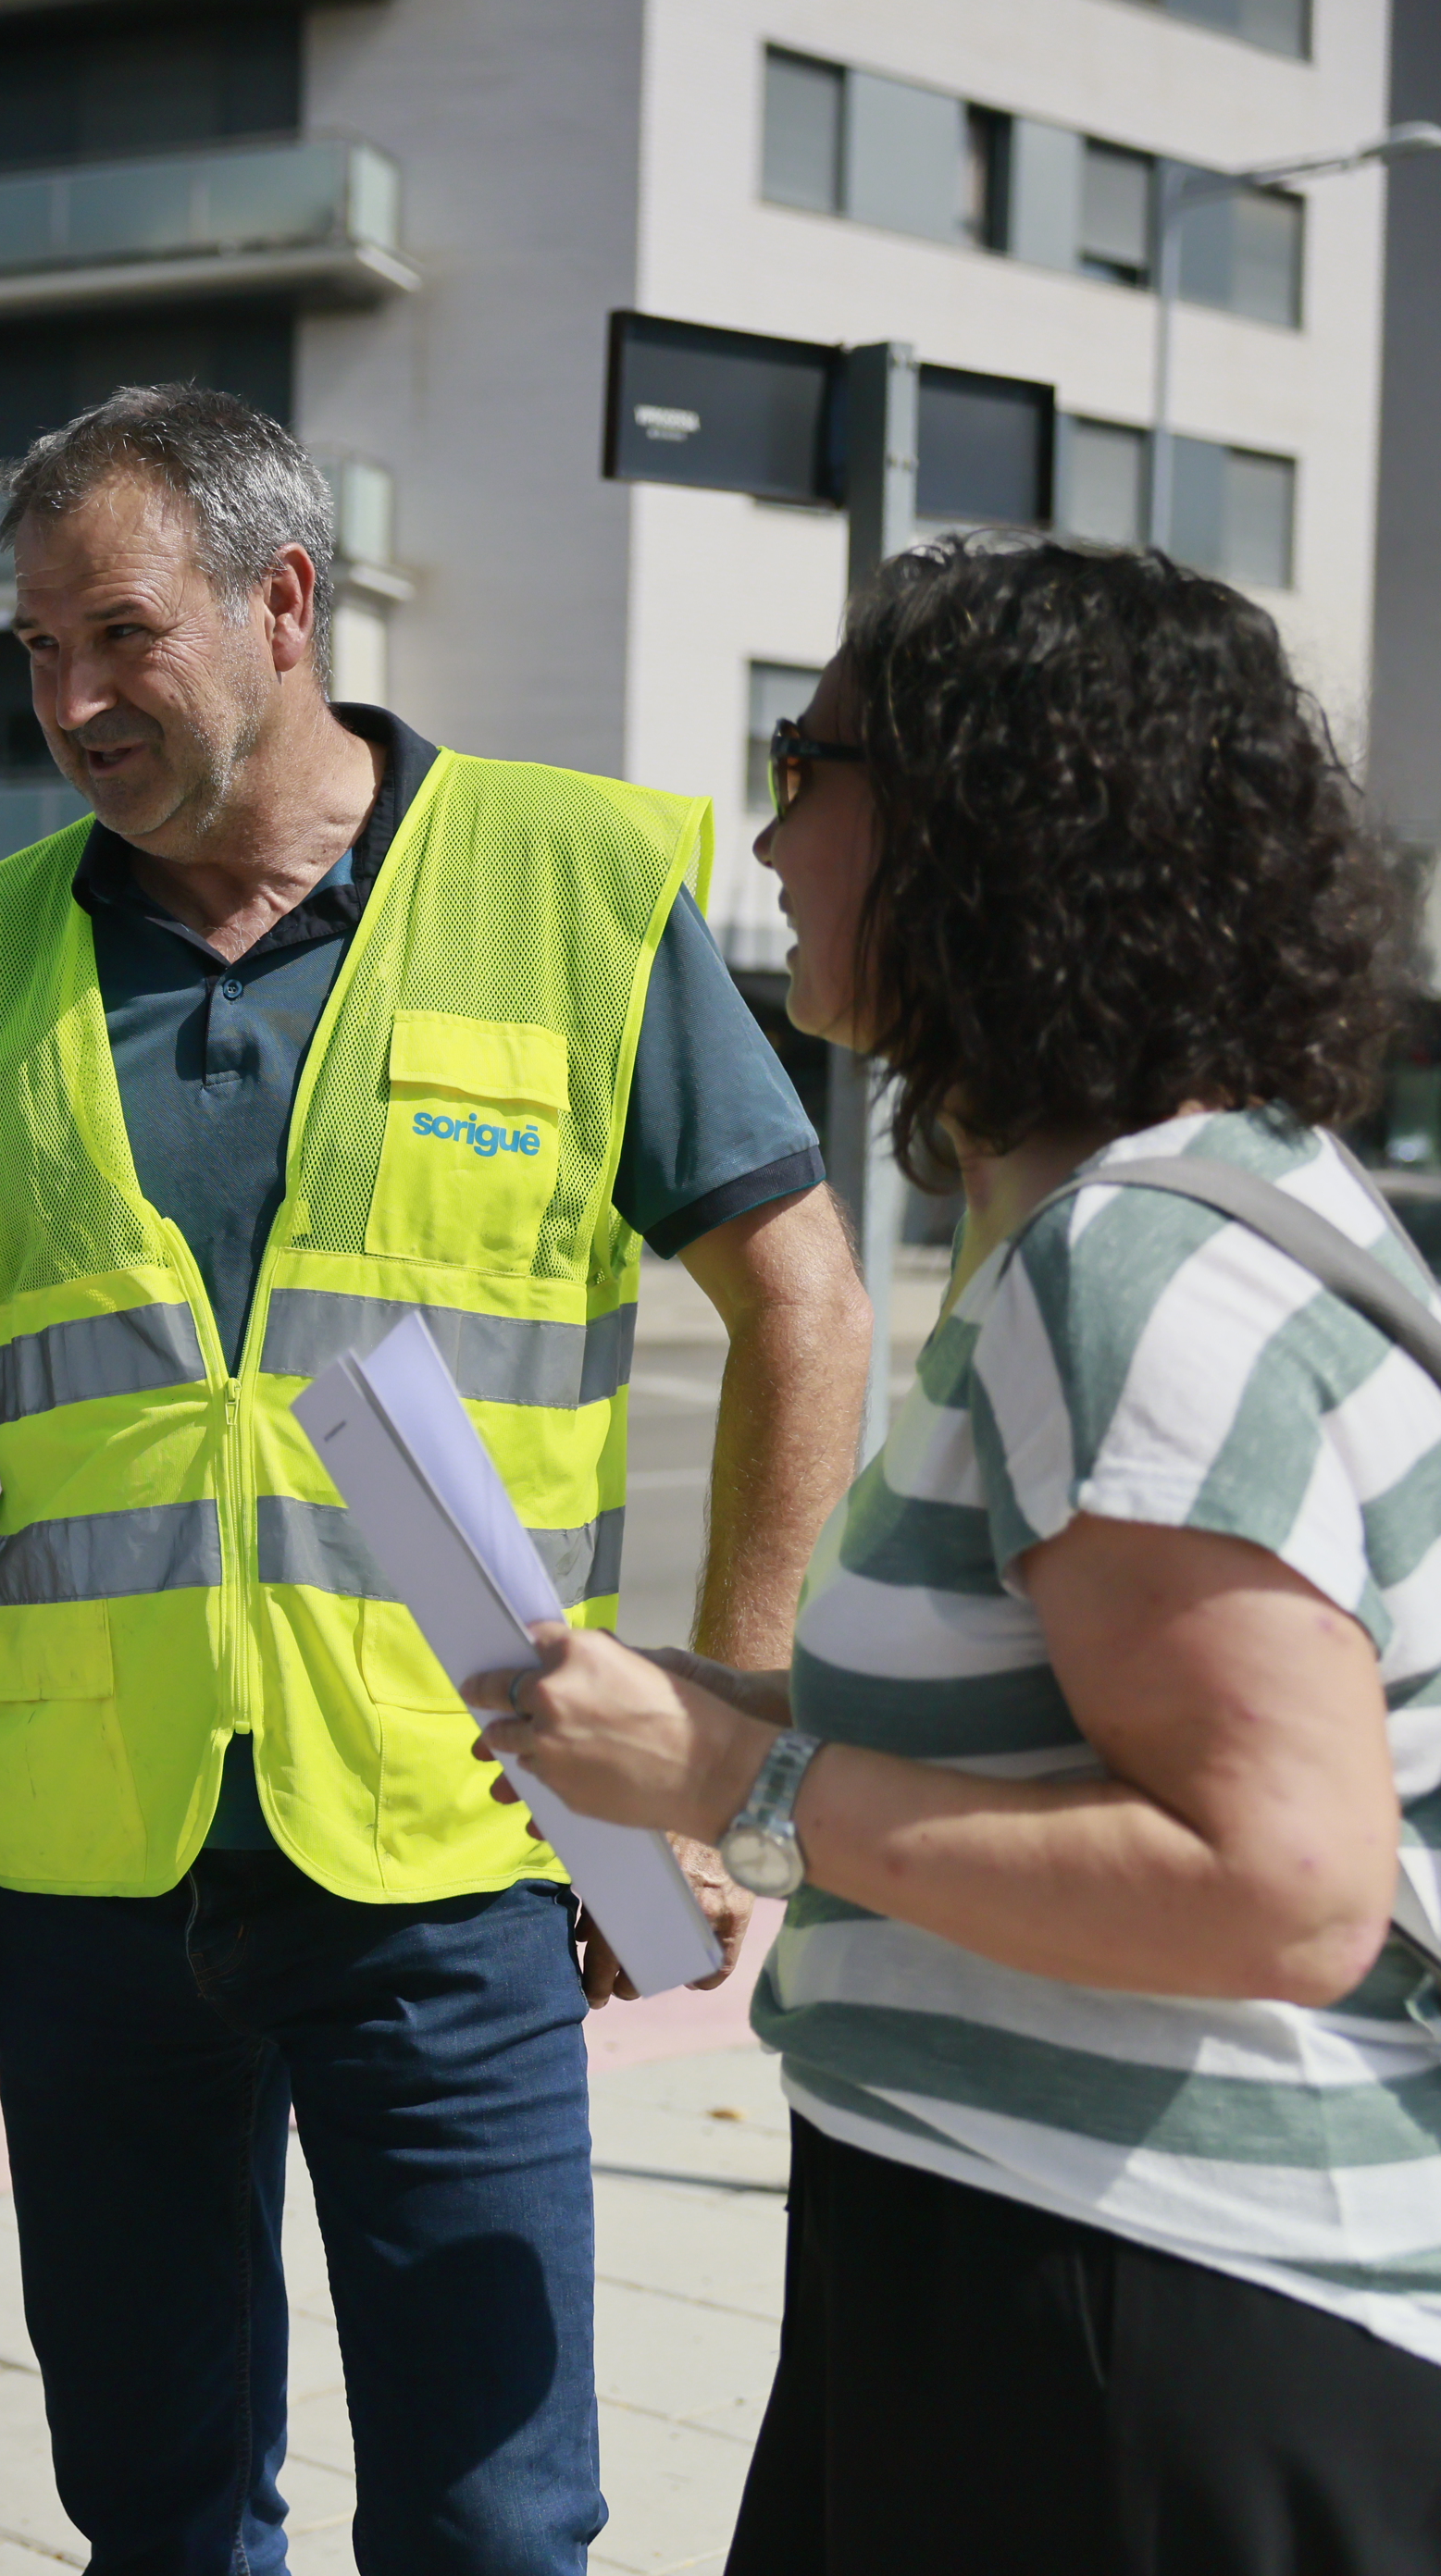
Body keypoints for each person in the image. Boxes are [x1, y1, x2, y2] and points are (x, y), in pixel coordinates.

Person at [0, 385, 874, 2574]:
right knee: (153, 2515)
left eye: (120, 634)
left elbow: (806, 1306)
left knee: (495, 2524)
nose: (72, 701)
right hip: (90, 1863)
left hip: (459, 1843)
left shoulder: (570, 886)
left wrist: (715, 1757)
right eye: (36, 648)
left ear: (284, 602)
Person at [467, 534, 1441, 2575]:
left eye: (803, 765)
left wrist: (740, 1780)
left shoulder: (1135, 1271)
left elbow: (1282, 1887)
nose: (766, 835)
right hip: (1046, 2267)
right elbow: (1071, 1729)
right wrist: (727, 1707)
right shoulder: (1162, 1213)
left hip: (1134, 2315)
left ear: (981, 823)